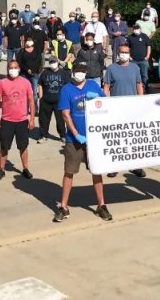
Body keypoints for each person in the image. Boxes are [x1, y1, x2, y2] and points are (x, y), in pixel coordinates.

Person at [54, 66, 112, 223]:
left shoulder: (93, 85)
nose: (80, 74)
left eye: (83, 71)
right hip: (75, 140)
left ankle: (101, 205)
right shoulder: (66, 90)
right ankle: (64, 206)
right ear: (73, 73)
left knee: (96, 171)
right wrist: (76, 134)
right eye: (77, 71)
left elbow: (106, 104)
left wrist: (98, 98)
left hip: (94, 138)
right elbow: (66, 115)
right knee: (69, 172)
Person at [102, 45, 146, 179]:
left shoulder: (135, 68)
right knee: (117, 139)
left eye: (126, 52)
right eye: (122, 52)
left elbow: (139, 85)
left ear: (129, 54)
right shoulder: (111, 68)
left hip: (132, 108)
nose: (124, 54)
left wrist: (141, 101)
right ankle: (115, 166)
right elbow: (106, 87)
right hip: (116, 108)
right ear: (118, 53)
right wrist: (106, 104)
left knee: (133, 138)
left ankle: (135, 166)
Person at [0, 59, 35, 181]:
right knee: (4, 147)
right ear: (7, 70)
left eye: (15, 67)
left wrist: (32, 118)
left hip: (22, 121)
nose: (13, 70)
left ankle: (25, 168)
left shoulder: (26, 83)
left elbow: (31, 100)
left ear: (19, 69)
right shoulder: (2, 83)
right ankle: (2, 169)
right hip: (6, 121)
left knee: (23, 146)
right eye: (11, 68)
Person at [37, 58, 70, 142]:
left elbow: (67, 87)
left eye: (54, 62)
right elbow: (40, 85)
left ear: (57, 62)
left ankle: (63, 135)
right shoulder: (45, 73)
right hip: (46, 100)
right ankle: (44, 136)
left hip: (59, 101)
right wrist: (41, 98)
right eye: (51, 62)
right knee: (44, 119)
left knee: (61, 120)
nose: (53, 64)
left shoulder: (64, 73)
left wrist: (66, 99)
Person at [16, 36, 43, 108]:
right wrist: (27, 69)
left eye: (30, 40)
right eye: (27, 40)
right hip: (24, 74)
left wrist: (34, 70)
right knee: (24, 92)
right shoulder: (22, 51)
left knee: (34, 93)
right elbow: (19, 62)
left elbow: (39, 62)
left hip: (34, 74)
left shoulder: (37, 51)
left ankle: (35, 108)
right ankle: (24, 108)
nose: (28, 41)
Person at [126, 22, 153, 93]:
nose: (136, 30)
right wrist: (129, 57)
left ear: (140, 29)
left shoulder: (144, 36)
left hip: (143, 60)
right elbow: (127, 48)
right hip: (133, 60)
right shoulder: (130, 37)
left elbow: (149, 46)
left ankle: (146, 89)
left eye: (137, 29)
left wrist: (148, 56)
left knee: (145, 76)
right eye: (134, 29)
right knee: (133, 76)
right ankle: (134, 90)